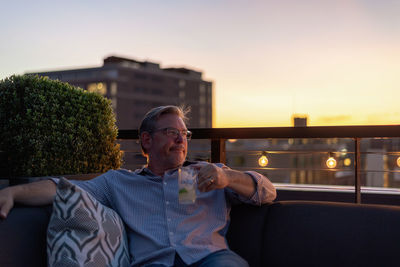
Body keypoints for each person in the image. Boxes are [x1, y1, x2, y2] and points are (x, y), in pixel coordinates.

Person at [0, 105, 276, 267]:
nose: (181, 140)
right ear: (146, 140)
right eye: (171, 133)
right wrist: (13, 192)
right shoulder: (118, 182)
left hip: (210, 259)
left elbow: (266, 191)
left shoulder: (208, 174)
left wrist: (228, 178)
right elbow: (63, 189)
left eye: (184, 134)